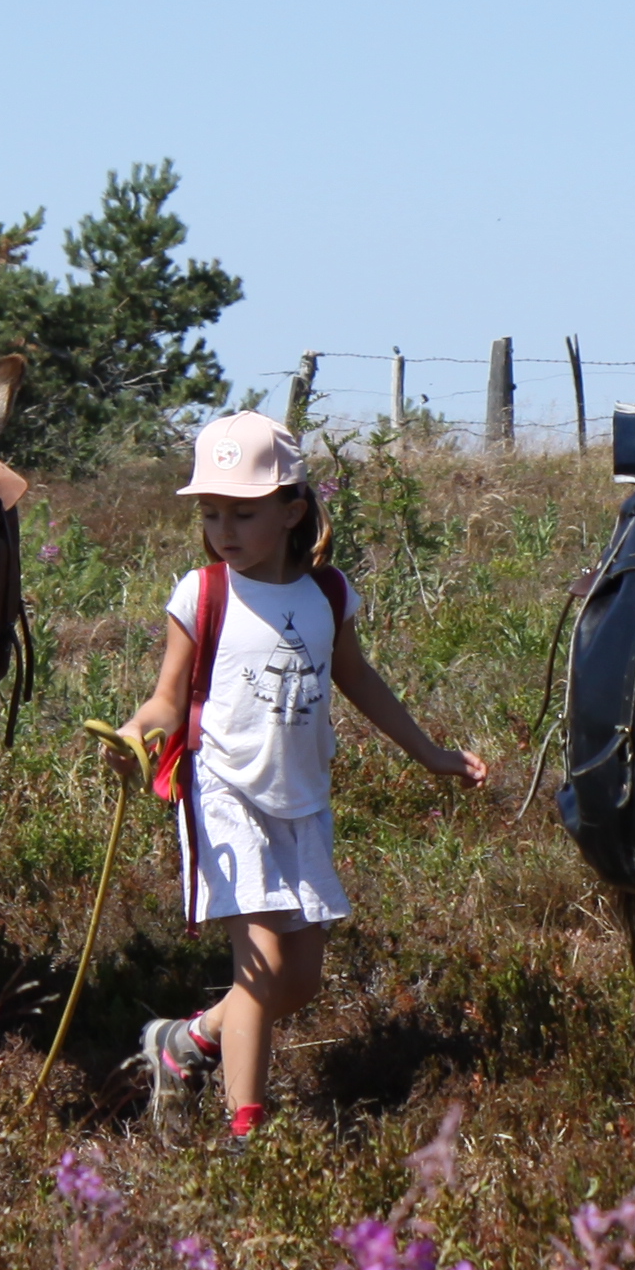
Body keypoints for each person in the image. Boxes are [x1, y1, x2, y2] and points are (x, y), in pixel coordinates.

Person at [120, 413, 489, 1139]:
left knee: (300, 980)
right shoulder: (202, 594)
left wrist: (431, 752)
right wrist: (136, 734)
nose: (223, 528)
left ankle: (185, 1042)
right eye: (211, 512)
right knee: (258, 971)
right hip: (224, 794)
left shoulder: (327, 595)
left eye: (243, 512)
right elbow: (167, 697)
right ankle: (246, 1134)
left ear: (291, 511)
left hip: (302, 799)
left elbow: (360, 680)